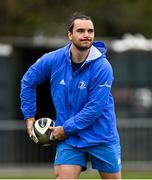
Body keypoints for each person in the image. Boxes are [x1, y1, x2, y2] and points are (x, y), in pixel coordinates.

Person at [20, 12, 121, 179]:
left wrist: (66, 129)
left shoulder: (103, 67)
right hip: (70, 139)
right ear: (70, 35)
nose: (87, 35)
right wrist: (29, 116)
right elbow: (28, 81)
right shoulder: (53, 59)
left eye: (90, 31)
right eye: (81, 31)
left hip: (101, 136)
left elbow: (95, 108)